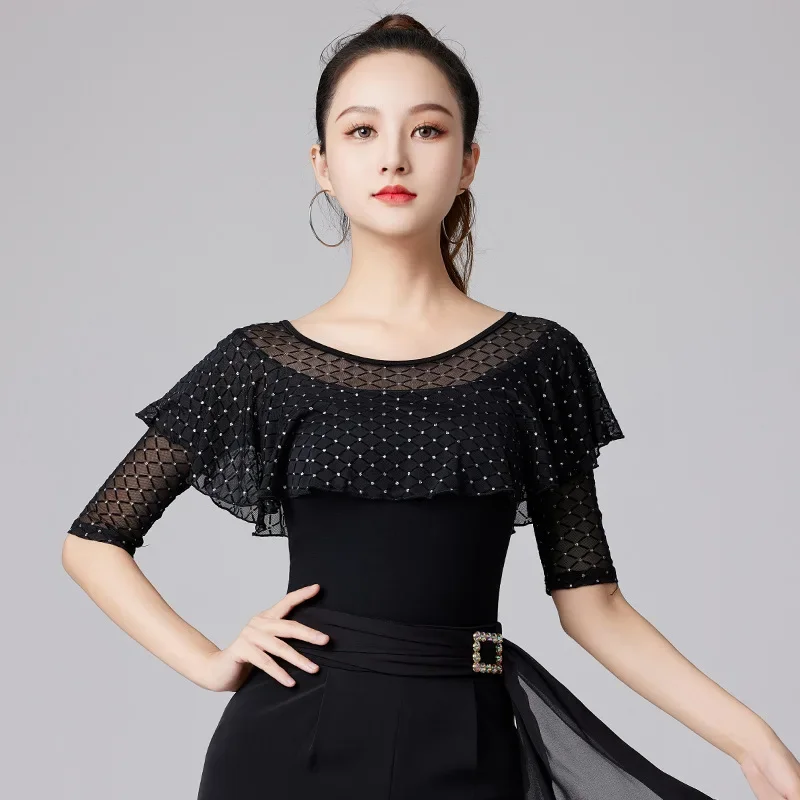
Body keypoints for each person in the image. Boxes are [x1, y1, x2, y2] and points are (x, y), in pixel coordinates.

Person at [61, 12, 799, 800]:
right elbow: (93, 543)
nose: (393, 156)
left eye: (427, 129)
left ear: (468, 160)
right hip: (286, 749)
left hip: (469, 744)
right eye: (361, 131)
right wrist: (210, 663)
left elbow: (594, 606)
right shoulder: (261, 362)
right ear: (321, 165)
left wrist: (752, 742)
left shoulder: (537, 360)